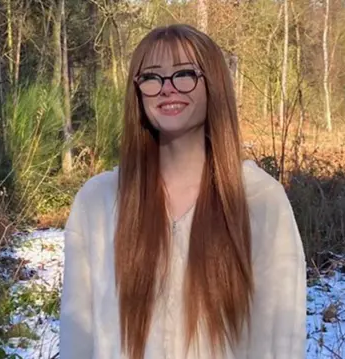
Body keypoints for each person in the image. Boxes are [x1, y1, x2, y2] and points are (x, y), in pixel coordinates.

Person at [59, 24, 306, 359]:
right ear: (138, 91)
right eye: (151, 77)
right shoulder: (98, 203)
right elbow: (78, 335)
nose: (167, 89)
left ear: (213, 84)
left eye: (184, 74)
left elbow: (280, 339)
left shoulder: (259, 201)